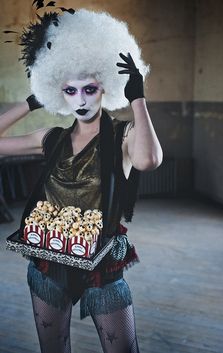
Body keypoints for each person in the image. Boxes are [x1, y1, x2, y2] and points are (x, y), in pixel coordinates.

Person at [1, 7, 163, 353]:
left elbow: (148, 160)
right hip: (48, 263)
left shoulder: (123, 135)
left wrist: (138, 98)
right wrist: (31, 102)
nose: (81, 100)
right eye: (70, 91)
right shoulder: (52, 137)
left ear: (104, 87)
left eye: (89, 89)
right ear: (59, 92)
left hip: (103, 265)